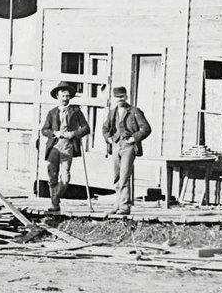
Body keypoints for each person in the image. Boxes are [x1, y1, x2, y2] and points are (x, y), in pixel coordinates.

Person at [40, 81, 91, 214]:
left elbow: (86, 128)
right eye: (63, 96)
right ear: (57, 96)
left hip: (68, 146)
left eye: (67, 96)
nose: (65, 98)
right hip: (54, 147)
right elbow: (44, 130)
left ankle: (55, 198)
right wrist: (54, 133)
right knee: (52, 176)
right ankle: (54, 205)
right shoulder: (51, 112)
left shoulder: (76, 111)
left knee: (66, 177)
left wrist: (73, 134)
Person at [101, 86, 151, 216]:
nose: (120, 99)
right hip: (116, 145)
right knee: (117, 177)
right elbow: (105, 128)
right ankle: (117, 205)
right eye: (117, 97)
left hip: (129, 146)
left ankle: (124, 206)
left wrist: (134, 138)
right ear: (114, 98)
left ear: (126, 97)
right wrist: (109, 139)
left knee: (124, 176)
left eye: (122, 96)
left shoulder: (134, 111)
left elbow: (146, 128)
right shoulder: (112, 112)